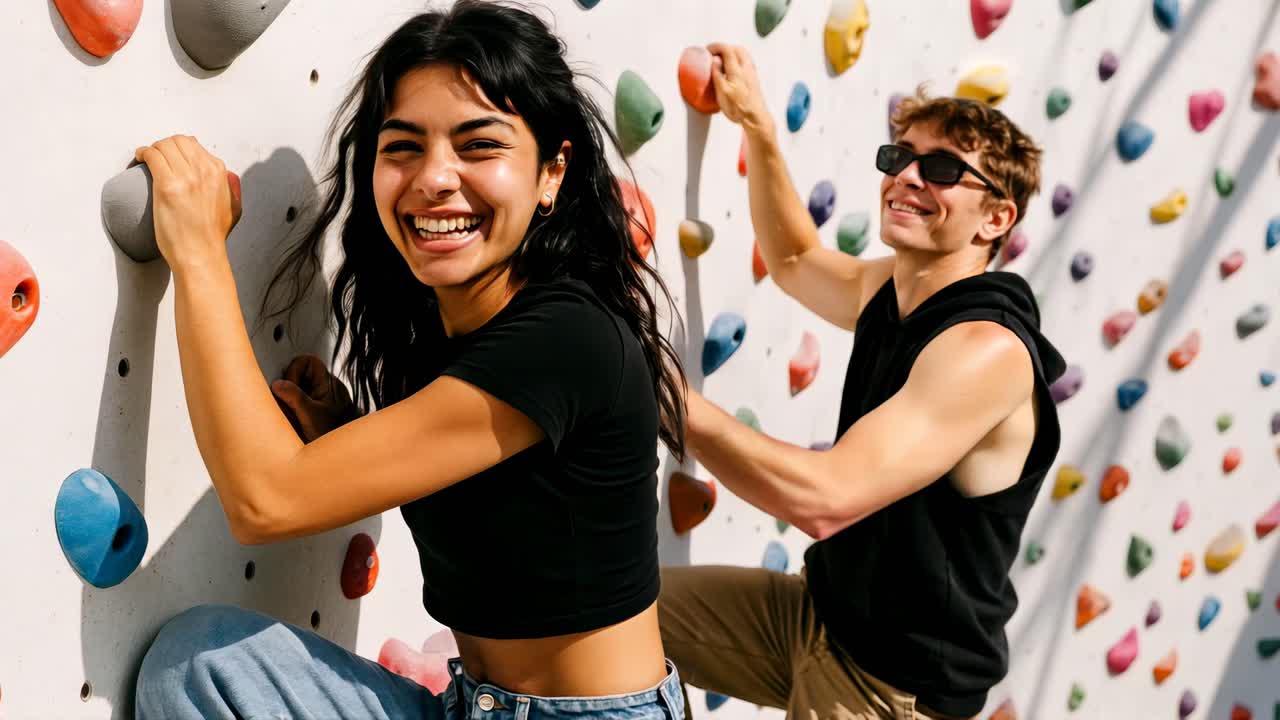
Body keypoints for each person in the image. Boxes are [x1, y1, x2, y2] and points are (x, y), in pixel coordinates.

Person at [130, 3, 689, 719]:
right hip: (471, 705)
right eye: (402, 148)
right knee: (198, 664)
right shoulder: (444, 331)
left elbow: (264, 500)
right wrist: (345, 435)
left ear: (552, 172)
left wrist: (198, 250)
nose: (435, 178)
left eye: (478, 146)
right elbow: (505, 501)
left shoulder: (565, 338)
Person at [657, 45, 1067, 720]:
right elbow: (794, 258)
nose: (907, 176)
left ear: (996, 219)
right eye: (899, 157)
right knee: (607, 615)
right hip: (818, 615)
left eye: (942, 169)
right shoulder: (893, 291)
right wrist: (759, 127)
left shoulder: (986, 351)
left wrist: (663, 394)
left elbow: (825, 499)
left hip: (893, 688)